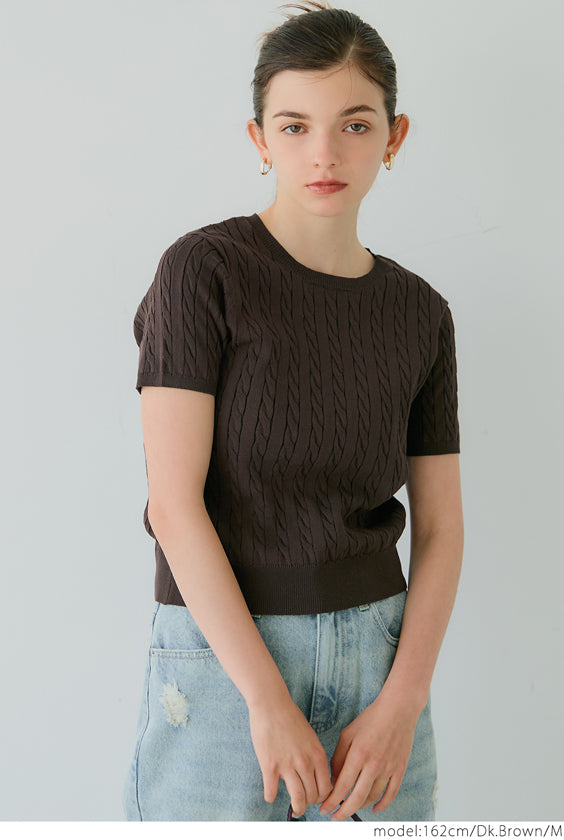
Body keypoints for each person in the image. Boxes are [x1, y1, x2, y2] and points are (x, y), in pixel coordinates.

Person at [122, 1, 464, 823]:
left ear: (395, 136)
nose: (324, 153)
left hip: (380, 670)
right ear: (259, 139)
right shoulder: (204, 272)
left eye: (355, 124)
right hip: (223, 669)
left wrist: (402, 703)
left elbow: (442, 528)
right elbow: (174, 505)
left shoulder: (421, 312)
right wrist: (267, 701)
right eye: (295, 125)